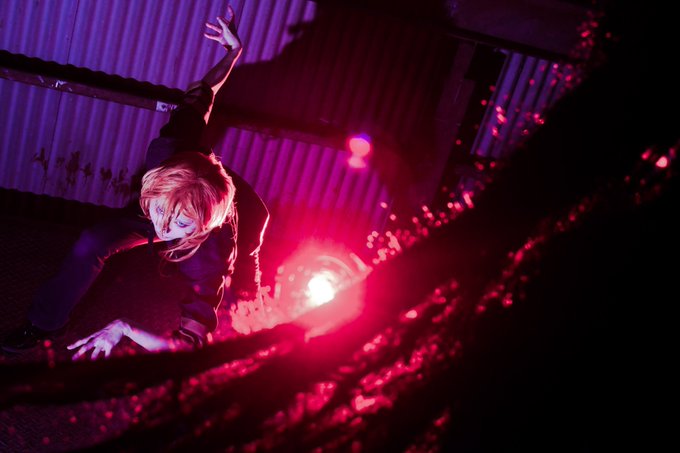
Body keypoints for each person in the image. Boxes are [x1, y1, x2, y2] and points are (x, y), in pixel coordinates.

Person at [1, 7, 269, 359]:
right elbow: (203, 92)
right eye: (159, 213)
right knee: (94, 240)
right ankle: (45, 323)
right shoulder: (168, 152)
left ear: (203, 226)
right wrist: (233, 53)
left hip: (235, 216)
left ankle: (259, 325)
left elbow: (183, 350)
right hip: (183, 189)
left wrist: (125, 328)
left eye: (178, 224)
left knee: (243, 298)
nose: (164, 229)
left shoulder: (211, 252)